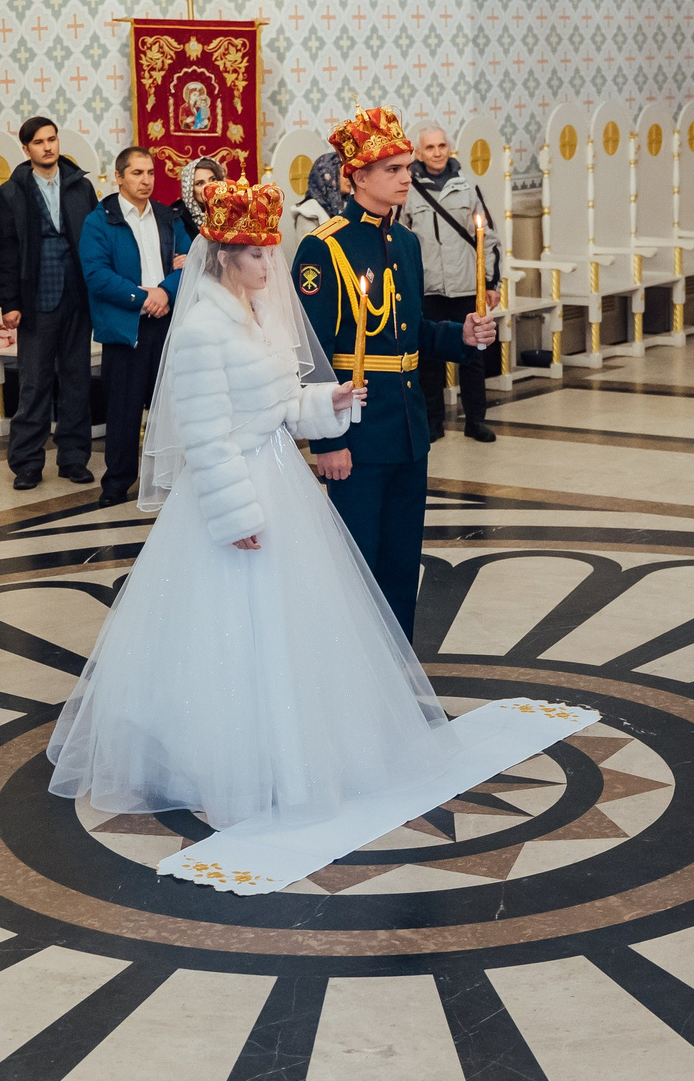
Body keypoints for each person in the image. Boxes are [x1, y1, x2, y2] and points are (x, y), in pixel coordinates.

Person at [45, 179, 446, 828]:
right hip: (231, 490)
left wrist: (327, 405)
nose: (271, 264)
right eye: (257, 254)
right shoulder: (204, 325)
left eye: (270, 250)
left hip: (279, 475)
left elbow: (280, 404)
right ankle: (216, 763)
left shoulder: (260, 315)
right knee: (228, 632)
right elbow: (205, 434)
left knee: (293, 627)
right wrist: (237, 515)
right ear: (224, 255)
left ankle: (294, 749)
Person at [294, 105, 497, 638]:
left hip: (408, 430)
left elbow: (413, 334)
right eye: (393, 169)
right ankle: (354, 687)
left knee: (402, 567)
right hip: (357, 432)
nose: (407, 177)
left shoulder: (405, 242)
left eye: (407, 166)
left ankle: (399, 684)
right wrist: (326, 439)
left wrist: (462, 336)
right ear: (357, 176)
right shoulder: (325, 247)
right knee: (356, 566)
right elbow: (310, 353)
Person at [0, 116, 99, 489]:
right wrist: (9, 303)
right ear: (26, 149)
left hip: (77, 297)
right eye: (39, 142)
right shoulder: (11, 192)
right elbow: (3, 252)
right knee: (34, 384)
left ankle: (73, 458)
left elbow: (95, 240)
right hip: (36, 298)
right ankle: (27, 463)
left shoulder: (80, 186)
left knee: (76, 381)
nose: (48, 147)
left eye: (52, 140)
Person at [78, 145, 187, 507]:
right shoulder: (100, 220)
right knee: (123, 409)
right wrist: (143, 299)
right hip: (127, 326)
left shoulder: (167, 216)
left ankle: (175, 477)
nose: (146, 180)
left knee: (172, 405)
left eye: (151, 173)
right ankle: (118, 482)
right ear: (119, 177)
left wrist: (165, 292)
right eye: (137, 173)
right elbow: (96, 275)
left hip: (167, 322)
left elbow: (190, 263)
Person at [402, 123, 503, 443]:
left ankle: (476, 420)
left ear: (450, 148)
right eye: (429, 148)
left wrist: (491, 283)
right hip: (428, 288)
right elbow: (401, 240)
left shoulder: (467, 187)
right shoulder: (408, 190)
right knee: (428, 359)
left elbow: (489, 239)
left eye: (442, 146)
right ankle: (434, 422)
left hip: (464, 286)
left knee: (473, 355)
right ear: (418, 153)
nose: (437, 153)